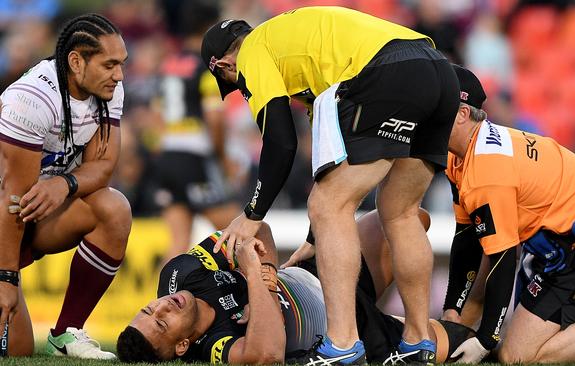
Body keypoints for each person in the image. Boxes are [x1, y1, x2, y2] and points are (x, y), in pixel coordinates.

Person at [200, 7, 460, 363]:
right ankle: (417, 344)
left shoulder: (253, 50)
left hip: (385, 72)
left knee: (329, 205)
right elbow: (327, 161)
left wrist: (252, 214)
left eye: (232, 83)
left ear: (225, 64)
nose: (239, 87)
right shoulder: (298, 53)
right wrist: (313, 238)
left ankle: (341, 345)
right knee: (399, 213)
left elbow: (280, 141)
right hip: (438, 70)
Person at [440, 64, 575, 363]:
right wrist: (453, 312)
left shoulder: (486, 171)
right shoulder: (463, 154)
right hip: (562, 243)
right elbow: (467, 240)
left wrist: (486, 339)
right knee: (513, 342)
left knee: (516, 355)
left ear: (461, 114)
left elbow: (502, 258)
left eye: (435, 107)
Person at [116, 209, 475, 364]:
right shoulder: (213, 347)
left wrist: (267, 274)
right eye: (162, 322)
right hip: (349, 325)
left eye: (150, 308)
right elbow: (268, 354)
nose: (164, 306)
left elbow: (257, 228)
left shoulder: (178, 274)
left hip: (316, 273)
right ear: (182, 345)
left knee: (409, 220)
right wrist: (255, 280)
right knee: (465, 343)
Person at [0, 14, 130, 359]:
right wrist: (6, 278)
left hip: (32, 214)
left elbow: (102, 168)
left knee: (113, 208)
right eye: (109, 64)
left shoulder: (108, 88)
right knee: (16, 354)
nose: (118, 74)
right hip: (7, 218)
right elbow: (11, 199)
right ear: (76, 61)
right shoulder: (31, 100)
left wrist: (65, 183)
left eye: (121, 64)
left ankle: (66, 334)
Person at [154, 14, 239, 266]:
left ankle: (158, 302)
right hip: (194, 156)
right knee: (235, 228)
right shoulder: (206, 67)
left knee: (178, 242)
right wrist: (223, 158)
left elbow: (155, 114)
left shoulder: (168, 65)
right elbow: (215, 118)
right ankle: (255, 294)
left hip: (168, 155)